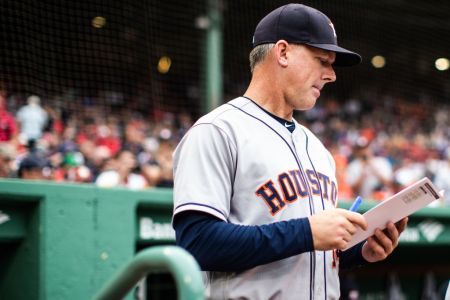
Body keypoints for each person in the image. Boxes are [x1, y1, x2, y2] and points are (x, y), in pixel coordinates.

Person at [172, 4, 407, 299]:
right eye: (322, 60)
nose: (331, 75)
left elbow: (309, 257)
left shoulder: (318, 149)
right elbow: (197, 243)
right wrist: (307, 232)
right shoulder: (218, 131)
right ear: (282, 52)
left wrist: (361, 252)